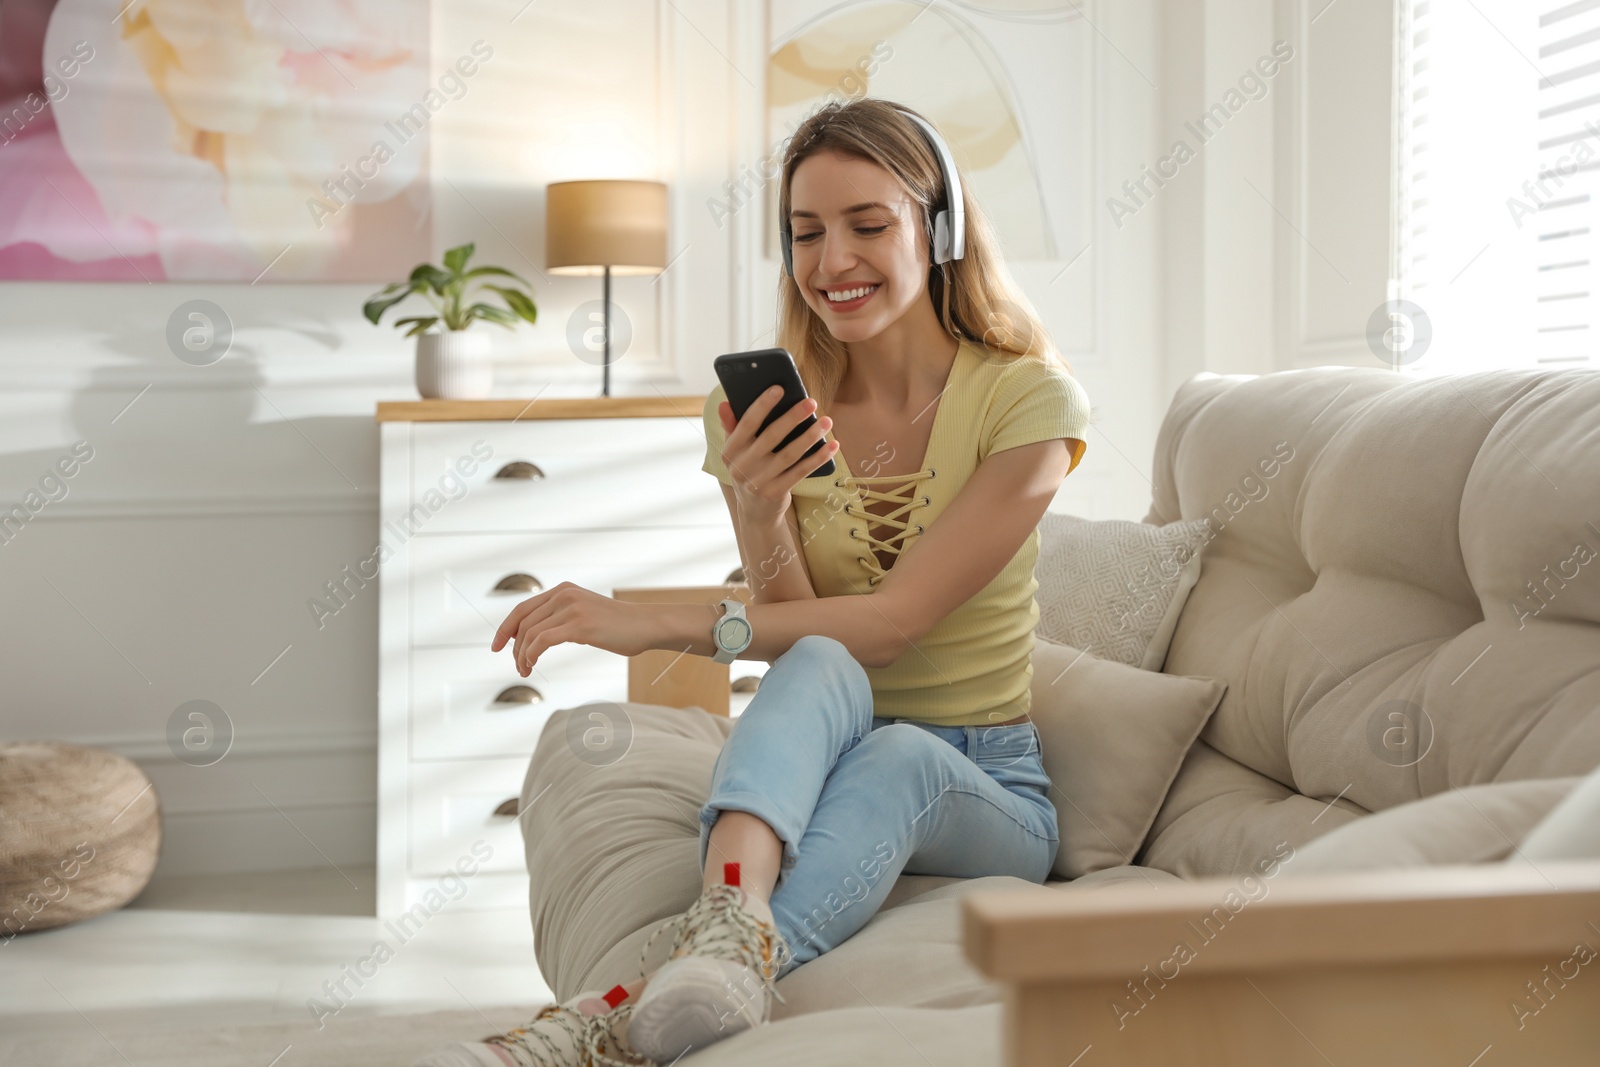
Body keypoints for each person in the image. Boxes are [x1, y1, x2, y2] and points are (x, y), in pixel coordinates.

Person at [414, 97, 1091, 1067]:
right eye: (805, 232)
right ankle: (729, 927)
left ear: (936, 230)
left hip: (983, 775)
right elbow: (793, 623)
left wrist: (646, 619)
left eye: (868, 225)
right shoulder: (759, 410)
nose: (831, 262)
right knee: (814, 656)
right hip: (820, 745)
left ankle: (610, 1018)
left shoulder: (1027, 401)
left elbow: (892, 624)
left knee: (894, 744)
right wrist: (760, 506)